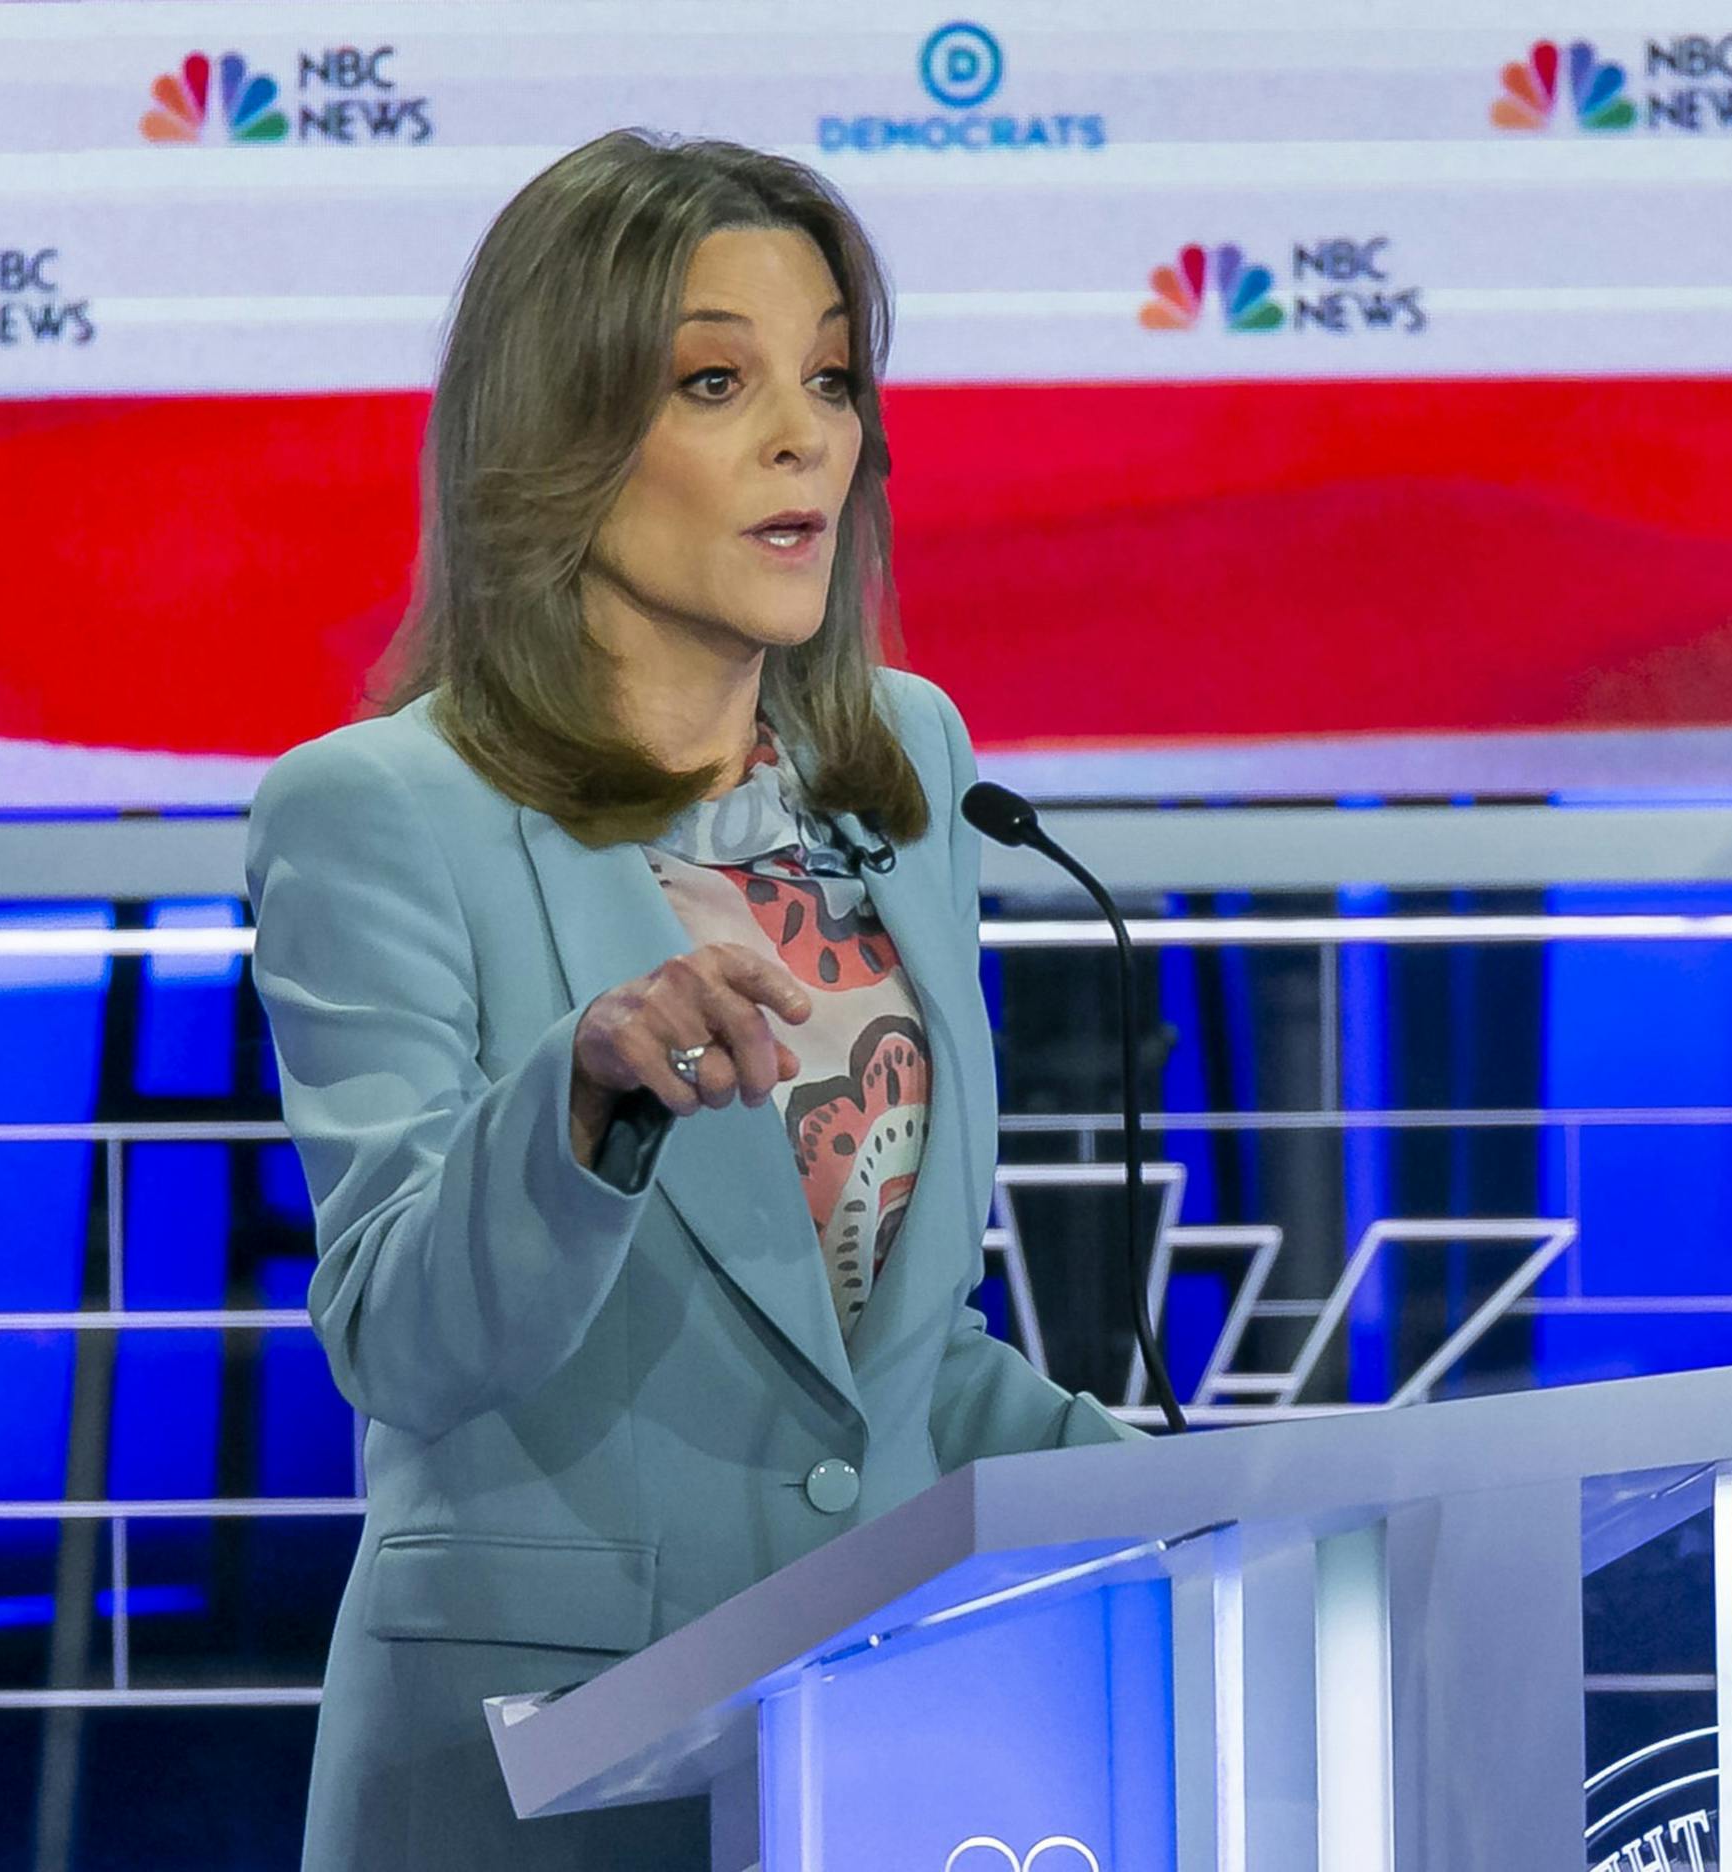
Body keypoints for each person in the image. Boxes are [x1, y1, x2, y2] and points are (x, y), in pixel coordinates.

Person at [246, 127, 1139, 1871]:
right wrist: (575, 1111)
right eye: (717, 381)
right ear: (557, 438)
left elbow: (884, 1365)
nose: (809, 431)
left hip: (887, 1745)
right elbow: (401, 1345)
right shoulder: (378, 809)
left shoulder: (908, 766)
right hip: (540, 1776)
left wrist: (1200, 1499)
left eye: (830, 374)